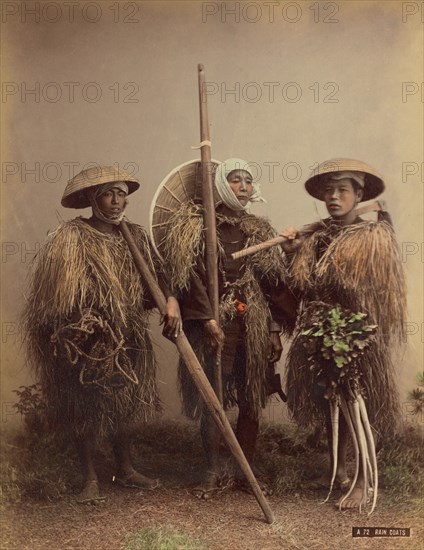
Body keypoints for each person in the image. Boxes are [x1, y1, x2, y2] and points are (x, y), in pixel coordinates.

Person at [23, 165, 181, 503]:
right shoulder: (72, 236)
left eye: (121, 193)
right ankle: (89, 479)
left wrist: (170, 301)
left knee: (123, 402)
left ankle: (125, 469)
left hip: (130, 335)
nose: (115, 200)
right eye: (107, 193)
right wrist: (86, 324)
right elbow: (59, 295)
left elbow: (158, 277)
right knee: (84, 406)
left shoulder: (135, 236)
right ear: (93, 198)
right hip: (89, 338)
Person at [161, 158, 297, 498]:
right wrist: (207, 319)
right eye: (235, 180)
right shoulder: (196, 226)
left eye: (248, 181)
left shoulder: (260, 229)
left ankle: (243, 470)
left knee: (252, 397)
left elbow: (272, 284)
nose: (243, 186)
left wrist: (273, 331)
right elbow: (187, 277)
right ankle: (211, 470)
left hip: (252, 321)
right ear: (222, 184)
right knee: (214, 397)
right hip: (213, 321)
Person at [281, 159, 406, 510]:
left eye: (342, 190)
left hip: (357, 335)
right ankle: (336, 471)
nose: (334, 197)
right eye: (328, 191)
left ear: (359, 194)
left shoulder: (372, 235)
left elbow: (373, 288)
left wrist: (347, 323)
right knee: (329, 405)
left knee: (356, 406)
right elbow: (301, 285)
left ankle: (364, 482)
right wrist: (293, 252)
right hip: (319, 332)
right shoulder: (318, 236)